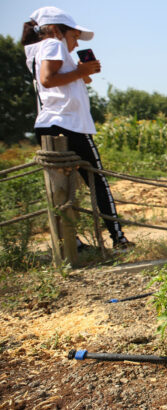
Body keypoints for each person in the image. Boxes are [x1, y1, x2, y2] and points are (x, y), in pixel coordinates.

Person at [21, 6, 132, 250]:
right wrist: (81, 71)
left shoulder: (37, 50)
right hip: (69, 123)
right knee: (96, 180)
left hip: (48, 124)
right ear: (56, 30)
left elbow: (67, 80)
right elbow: (48, 80)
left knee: (62, 186)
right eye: (74, 36)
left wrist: (84, 71)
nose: (75, 42)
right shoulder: (54, 44)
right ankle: (118, 238)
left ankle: (71, 243)